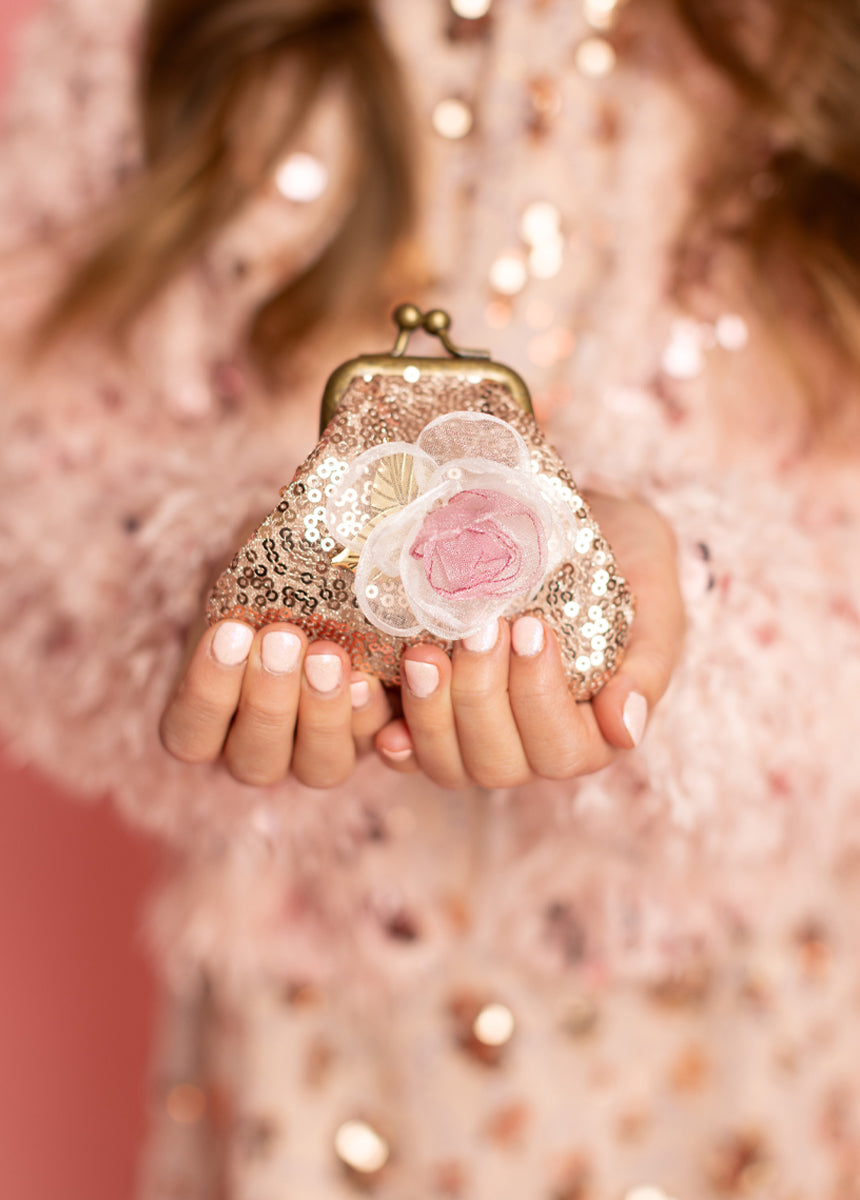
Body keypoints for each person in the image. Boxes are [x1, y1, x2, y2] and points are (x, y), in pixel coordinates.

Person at [1, 0, 859, 1196]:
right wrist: (217, 587)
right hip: (315, 1076)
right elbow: (31, 479)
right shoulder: (136, 25)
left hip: (752, 1065)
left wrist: (693, 602)